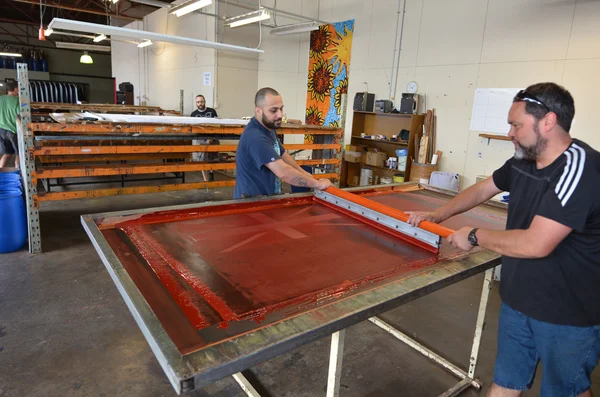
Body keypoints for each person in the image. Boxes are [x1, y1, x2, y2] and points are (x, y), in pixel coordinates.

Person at [408, 82, 599, 397]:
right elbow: (484, 189)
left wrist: (474, 235)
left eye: (516, 125)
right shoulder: (524, 160)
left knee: (567, 390)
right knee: (507, 382)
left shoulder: (581, 169)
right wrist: (439, 215)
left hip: (568, 312)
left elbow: (537, 243)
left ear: (548, 122)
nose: (510, 132)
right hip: (518, 299)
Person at [234, 87, 332, 199]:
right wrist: (318, 184)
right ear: (258, 111)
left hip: (266, 197)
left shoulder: (268, 129)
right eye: (274, 110)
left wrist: (306, 174)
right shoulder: (255, 137)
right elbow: (284, 172)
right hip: (251, 203)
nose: (280, 115)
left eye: (281, 109)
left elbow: (283, 154)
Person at [190, 94, 219, 182]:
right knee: (201, 158)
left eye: (202, 101)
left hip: (213, 136)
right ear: (196, 103)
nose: (200, 103)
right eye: (198, 102)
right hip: (200, 138)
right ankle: (205, 179)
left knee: (212, 157)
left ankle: (211, 172)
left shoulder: (212, 111)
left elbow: (217, 125)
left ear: (205, 102)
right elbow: (193, 128)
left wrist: (211, 138)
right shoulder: (193, 114)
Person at [0, 81, 20, 169]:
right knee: (19, 154)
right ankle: (18, 173)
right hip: (13, 131)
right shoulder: (17, 100)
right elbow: (21, 114)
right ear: (15, 89)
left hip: (1, 130)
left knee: (7, 153)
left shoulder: (0, 98)